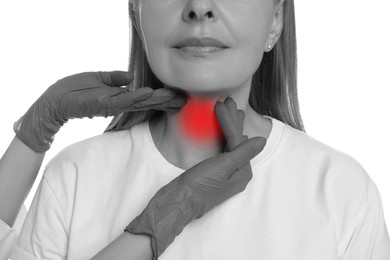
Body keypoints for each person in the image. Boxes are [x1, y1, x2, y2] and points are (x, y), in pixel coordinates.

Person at [3, 0, 390, 259]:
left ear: (276, 20)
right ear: (136, 12)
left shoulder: (341, 192)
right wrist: (158, 224)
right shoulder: (74, 179)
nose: (200, 7)